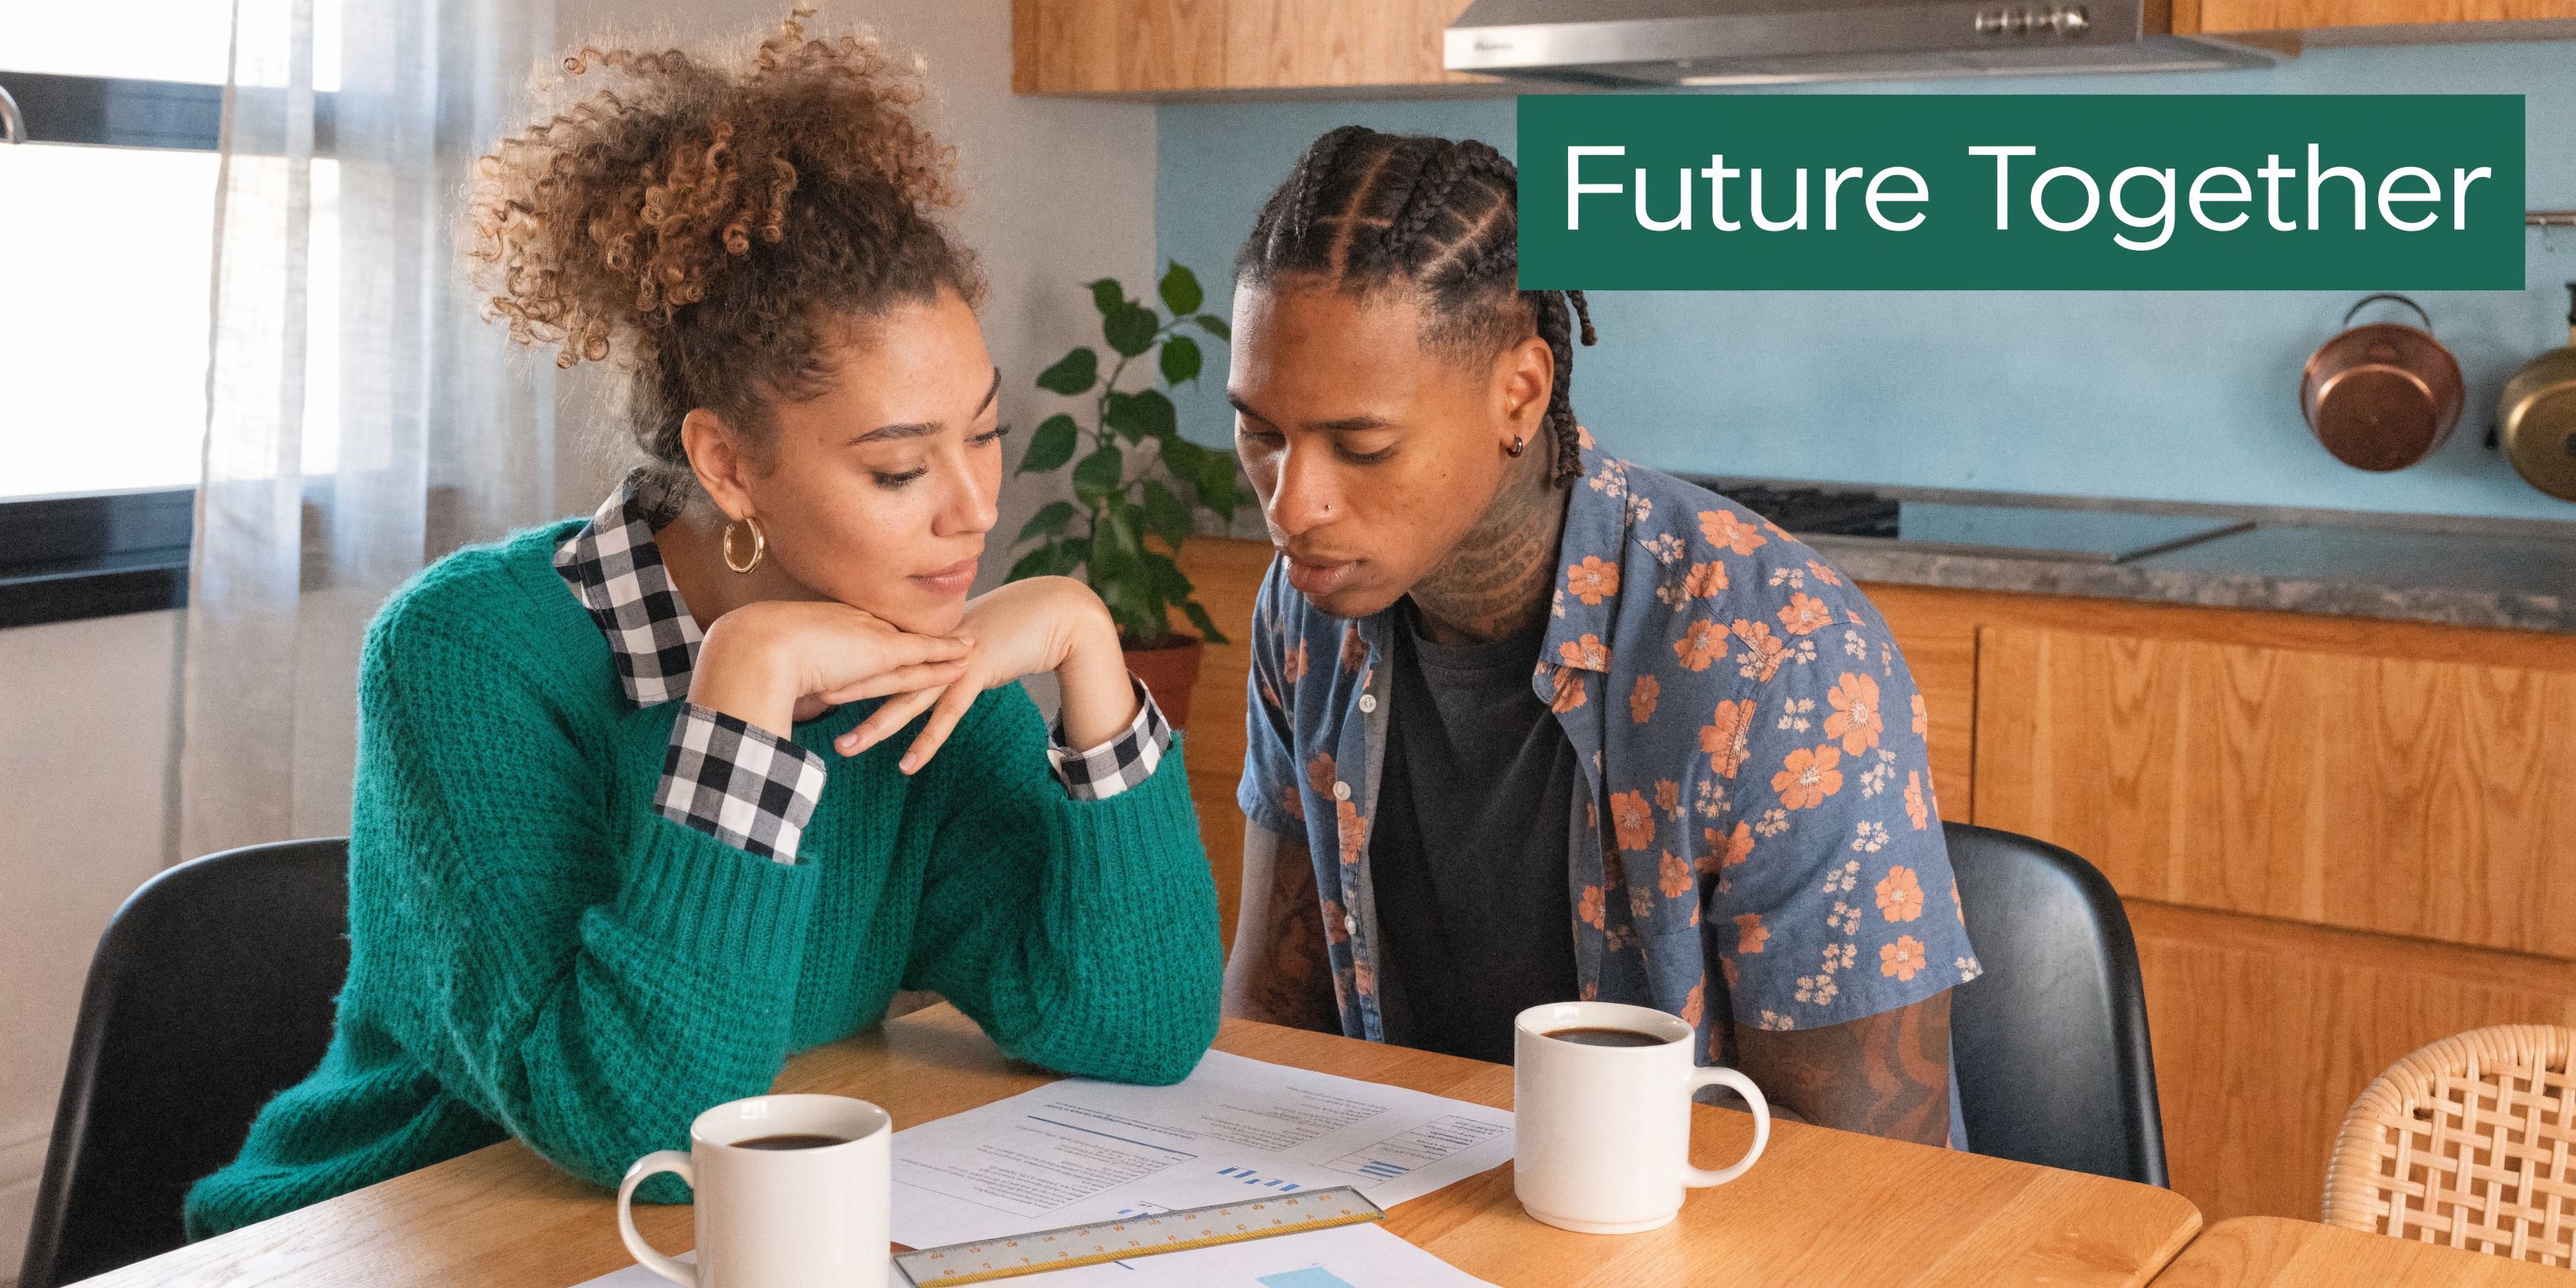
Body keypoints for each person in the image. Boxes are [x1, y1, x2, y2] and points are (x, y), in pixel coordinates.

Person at [185, 13, 1219, 1239]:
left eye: (984, 433)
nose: (977, 509)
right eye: (899, 471)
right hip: (398, 1235)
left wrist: (1091, 656)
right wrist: (743, 696)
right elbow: (633, 1126)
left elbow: (1140, 1030)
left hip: (705, 1242)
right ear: (728, 464)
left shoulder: (919, 651)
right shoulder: (464, 658)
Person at [1219, 126, 1979, 1145]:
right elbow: (1277, 1020)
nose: (1292, 503)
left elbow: (1870, 1176)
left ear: (1520, 394)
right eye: (1262, 433)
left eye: (1361, 445)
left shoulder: (1777, 657)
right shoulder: (1306, 613)